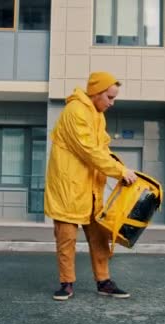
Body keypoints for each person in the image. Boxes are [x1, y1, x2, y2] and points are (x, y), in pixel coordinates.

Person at [44, 71, 138, 301]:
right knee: (66, 238)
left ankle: (103, 281)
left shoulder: (98, 116)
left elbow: (103, 147)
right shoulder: (75, 111)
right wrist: (118, 172)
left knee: (99, 237)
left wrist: (121, 168)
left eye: (114, 98)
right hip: (69, 188)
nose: (112, 103)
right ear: (96, 93)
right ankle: (66, 283)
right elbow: (88, 150)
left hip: (91, 188)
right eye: (110, 97)